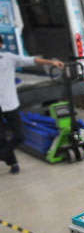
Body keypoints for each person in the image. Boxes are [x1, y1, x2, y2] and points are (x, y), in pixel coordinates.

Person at [0, 35, 64, 174]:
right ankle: (13, 163)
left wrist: (51, 62)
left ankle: (2, 155)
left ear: (0, 45)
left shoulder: (9, 58)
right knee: (1, 138)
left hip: (9, 103)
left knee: (20, 135)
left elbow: (31, 60)